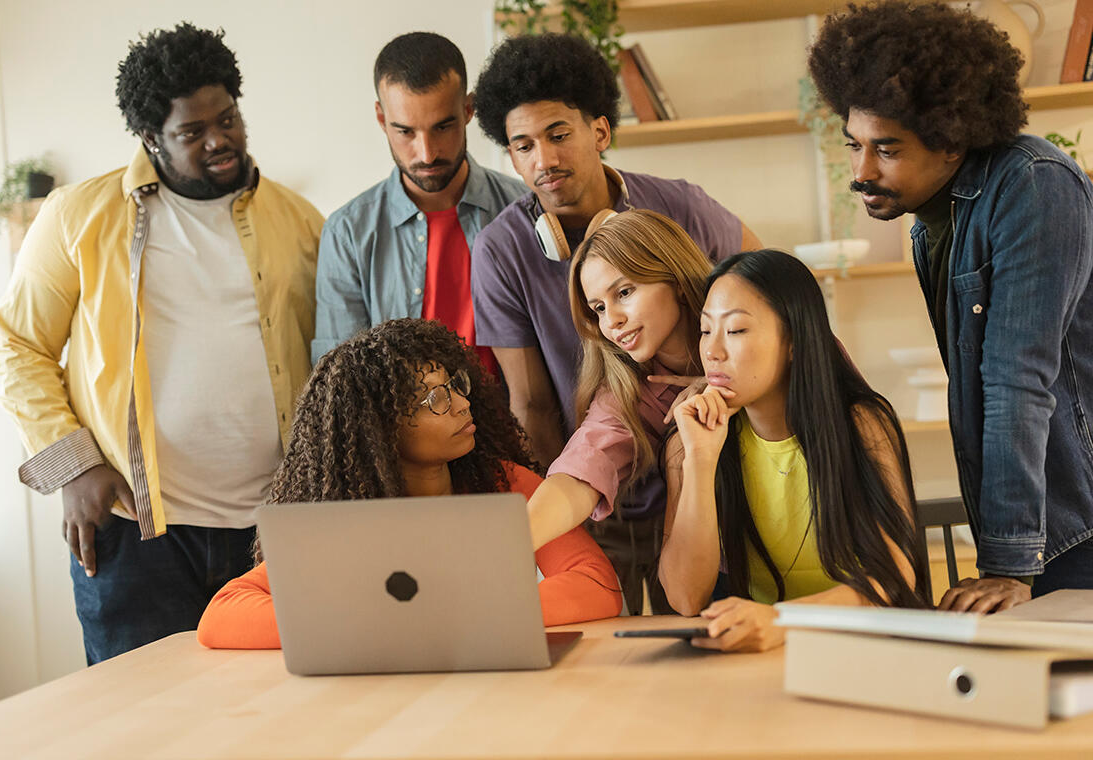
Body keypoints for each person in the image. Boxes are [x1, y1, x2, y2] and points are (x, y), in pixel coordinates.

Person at [0, 24, 323, 664]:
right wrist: (74, 463)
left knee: (278, 726)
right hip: (134, 536)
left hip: (275, 530)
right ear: (151, 139)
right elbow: (17, 344)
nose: (219, 140)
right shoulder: (76, 215)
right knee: (140, 730)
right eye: (192, 133)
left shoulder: (302, 221)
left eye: (226, 119)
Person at [808, 1, 1093, 608]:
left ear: (952, 143)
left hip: (1091, 527)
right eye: (853, 145)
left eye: (887, 150)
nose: (860, 171)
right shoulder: (934, 219)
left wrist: (1006, 565)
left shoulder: (1034, 185)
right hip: (1049, 531)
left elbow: (1014, 379)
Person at [470, 33, 761, 611]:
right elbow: (543, 415)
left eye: (558, 135)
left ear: (599, 132)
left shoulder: (682, 207)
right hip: (610, 501)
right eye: (522, 145)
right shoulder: (503, 251)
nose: (544, 161)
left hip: (731, 478)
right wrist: (547, 532)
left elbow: (770, 294)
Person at [196, 319, 622, 648]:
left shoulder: (504, 482)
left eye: (455, 386)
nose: (461, 403)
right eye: (436, 398)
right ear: (381, 429)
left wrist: (459, 615)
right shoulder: (344, 518)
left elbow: (597, 585)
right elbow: (223, 615)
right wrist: (379, 623)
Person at [662, 250, 929, 652]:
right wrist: (699, 461)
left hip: (871, 650)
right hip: (770, 656)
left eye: (735, 331)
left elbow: (892, 576)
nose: (712, 351)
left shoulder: (861, 424)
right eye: (704, 330)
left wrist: (784, 619)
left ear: (794, 342)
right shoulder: (692, 441)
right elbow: (686, 599)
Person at [521, 209, 712, 616]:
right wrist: (509, 541)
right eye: (598, 309)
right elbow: (582, 469)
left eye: (624, 292)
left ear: (675, 279)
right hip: (706, 579)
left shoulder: (754, 330)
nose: (613, 321)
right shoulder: (630, 388)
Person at [312, 32, 524, 375]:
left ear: (468, 109)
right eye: (405, 132)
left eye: (443, 127)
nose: (427, 153)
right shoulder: (347, 233)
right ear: (382, 119)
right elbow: (344, 385)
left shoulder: (523, 210)